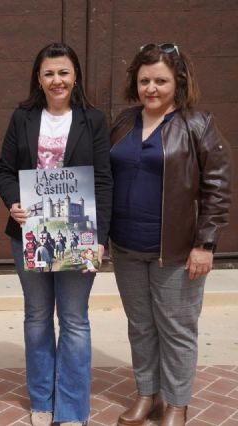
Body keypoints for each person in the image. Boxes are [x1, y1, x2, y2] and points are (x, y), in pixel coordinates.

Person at [109, 43, 232, 426]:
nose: (151, 88)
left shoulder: (198, 125)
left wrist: (205, 243)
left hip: (176, 251)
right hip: (126, 247)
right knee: (140, 326)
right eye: (144, 80)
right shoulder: (123, 122)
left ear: (177, 82)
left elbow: (217, 187)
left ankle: (177, 403)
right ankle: (148, 395)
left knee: (177, 329)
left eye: (160, 81)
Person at [0, 42, 113, 426]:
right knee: (37, 317)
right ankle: (42, 400)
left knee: (75, 320)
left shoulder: (93, 120)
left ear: (75, 76)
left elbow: (103, 180)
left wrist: (100, 238)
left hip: (79, 234)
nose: (56, 80)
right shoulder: (23, 117)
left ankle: (73, 407)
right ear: (38, 78)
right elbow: (4, 171)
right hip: (28, 234)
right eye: (49, 73)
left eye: (63, 72)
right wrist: (13, 201)